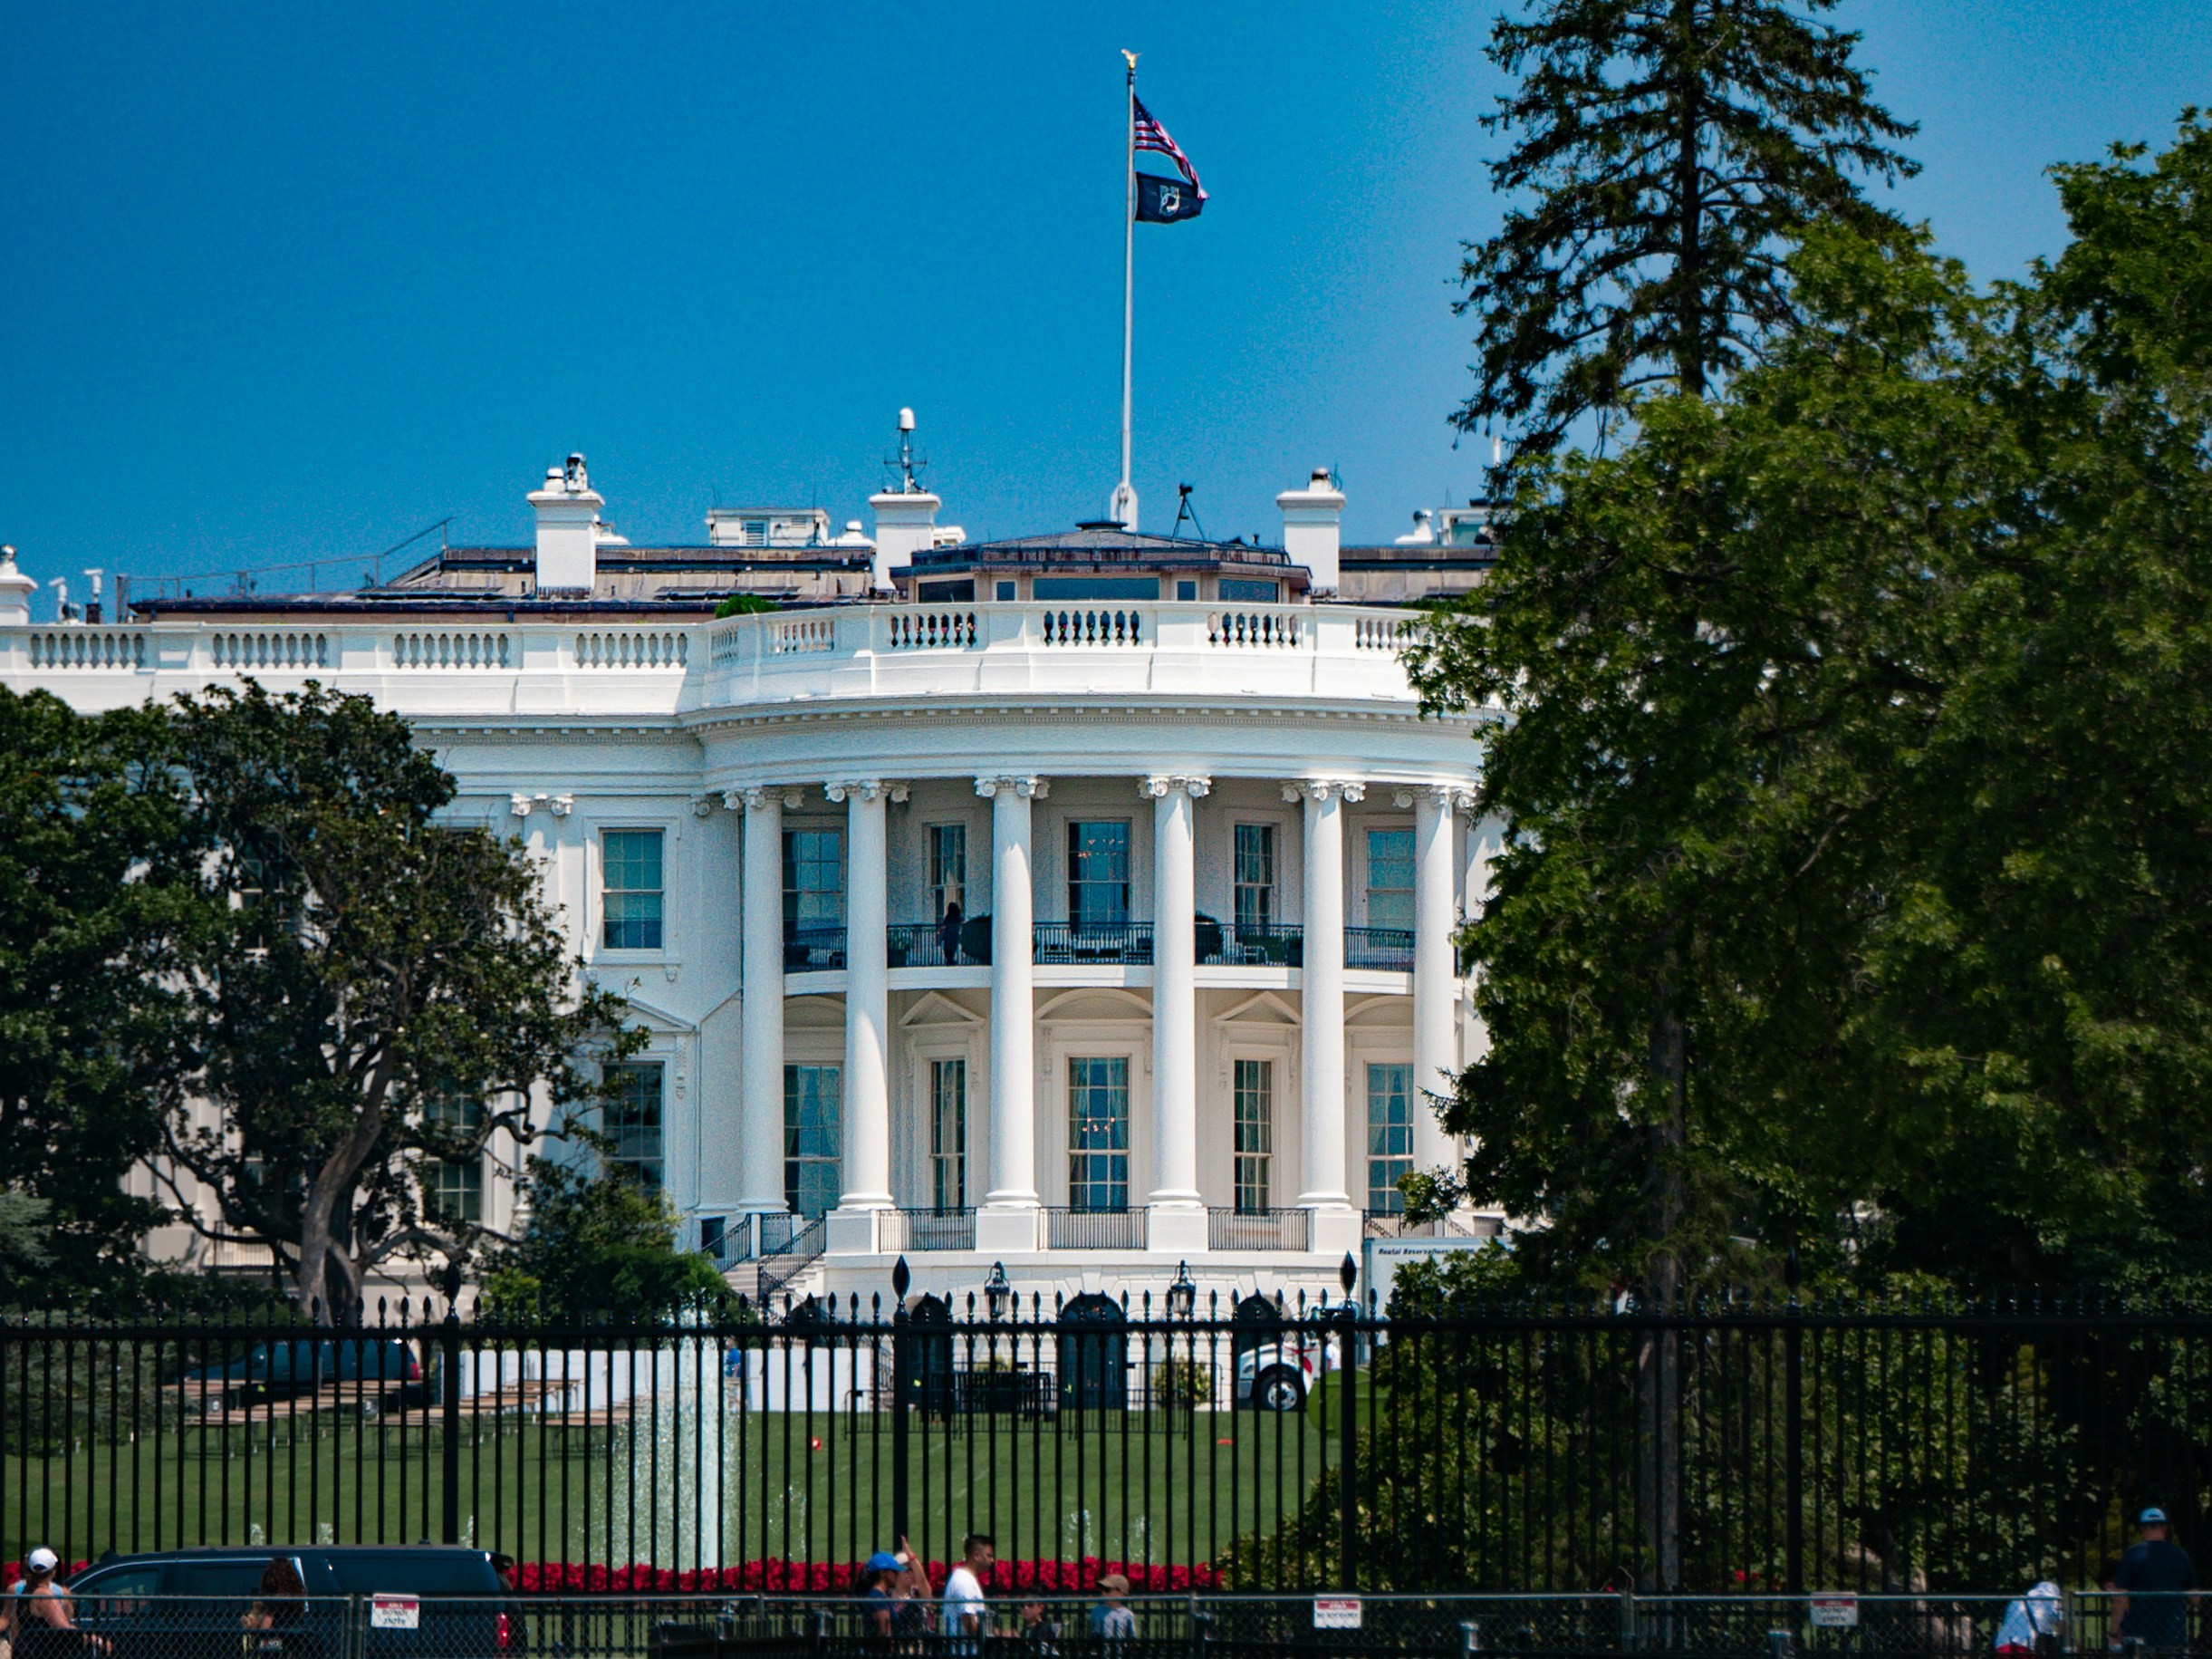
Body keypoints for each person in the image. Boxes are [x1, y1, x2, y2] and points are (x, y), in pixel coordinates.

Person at [2113, 1508, 2196, 1652]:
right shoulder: (2180, 1555)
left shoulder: (2132, 1555)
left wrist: (2113, 1632)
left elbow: (2120, 1599)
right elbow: (2195, 1599)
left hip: (2139, 1630)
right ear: (2165, 1528)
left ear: (2141, 1529)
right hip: (2173, 1632)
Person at [11, 1548, 106, 1659]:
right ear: (53, 1572)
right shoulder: (44, 1595)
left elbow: (15, 1628)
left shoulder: (26, 1592)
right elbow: (62, 1628)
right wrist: (93, 1640)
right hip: (44, 1652)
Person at [943, 1534, 994, 1639]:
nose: (992, 1560)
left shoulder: (965, 1578)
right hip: (962, 1648)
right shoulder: (964, 1582)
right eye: (988, 1556)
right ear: (976, 1556)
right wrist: (996, 1633)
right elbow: (969, 1623)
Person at [1993, 1579, 2062, 1654]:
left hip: (2003, 1644)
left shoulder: (2017, 1601)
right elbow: (2063, 1626)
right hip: (2026, 1646)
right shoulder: (2052, 1601)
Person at [1089, 1574, 1136, 1643]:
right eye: (1102, 1589)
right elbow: (1091, 1633)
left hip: (1119, 1647)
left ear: (1120, 1593)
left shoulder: (1127, 1614)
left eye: (1107, 1590)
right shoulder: (1096, 1611)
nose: (1104, 1593)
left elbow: (1131, 1637)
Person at [937, 901, 964, 967]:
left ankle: (949, 960)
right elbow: (962, 923)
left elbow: (944, 925)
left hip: (948, 935)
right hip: (955, 934)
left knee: (947, 948)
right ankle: (951, 960)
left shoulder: (948, 916)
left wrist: (940, 930)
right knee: (952, 948)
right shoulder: (958, 916)